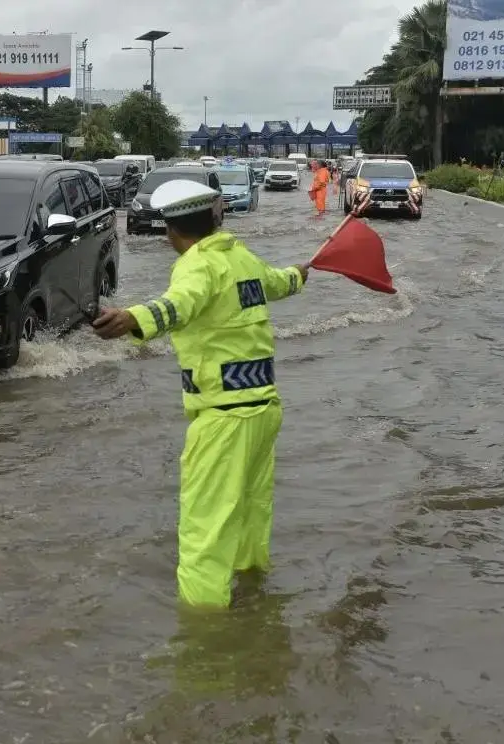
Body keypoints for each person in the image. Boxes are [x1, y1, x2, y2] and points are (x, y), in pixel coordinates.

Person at [91, 179, 311, 610]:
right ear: (215, 219)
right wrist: (299, 275)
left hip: (223, 420)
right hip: (264, 410)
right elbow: (276, 283)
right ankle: (254, 599)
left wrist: (132, 318)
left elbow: (179, 305)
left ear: (170, 232)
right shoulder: (240, 258)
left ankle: (203, 639)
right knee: (250, 515)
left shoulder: (195, 265)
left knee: (203, 534)